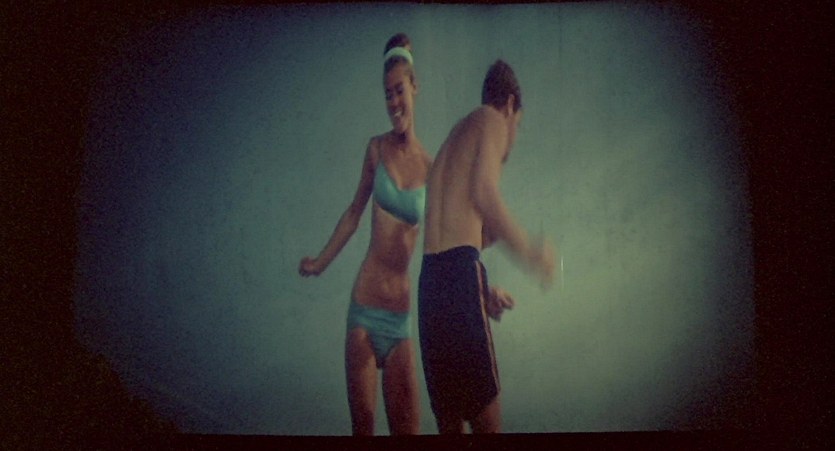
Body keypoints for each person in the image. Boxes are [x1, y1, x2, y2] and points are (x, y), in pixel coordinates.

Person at [298, 33, 430, 436]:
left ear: (415, 87)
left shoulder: (432, 168)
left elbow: (449, 240)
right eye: (387, 94)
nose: (394, 102)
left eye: (399, 90)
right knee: (364, 430)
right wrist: (320, 263)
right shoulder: (375, 149)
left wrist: (483, 287)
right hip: (364, 310)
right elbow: (354, 213)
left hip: (400, 319)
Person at [418, 59, 556, 434]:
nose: (514, 136)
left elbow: (460, 241)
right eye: (518, 126)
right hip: (458, 276)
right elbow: (484, 192)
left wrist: (481, 293)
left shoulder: (452, 141)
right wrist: (532, 253)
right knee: (487, 427)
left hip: (429, 288)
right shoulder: (492, 119)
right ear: (510, 105)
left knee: (450, 426)